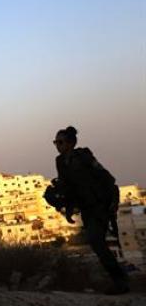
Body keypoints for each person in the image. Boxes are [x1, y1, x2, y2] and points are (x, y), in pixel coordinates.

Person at [53, 126, 129, 295]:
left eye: (61, 142)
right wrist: (65, 207)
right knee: (96, 243)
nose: (57, 145)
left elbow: (108, 178)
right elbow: (67, 188)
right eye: (55, 142)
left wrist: (113, 203)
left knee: (96, 240)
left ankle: (120, 281)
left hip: (100, 206)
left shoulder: (83, 157)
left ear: (71, 143)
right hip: (86, 209)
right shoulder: (60, 162)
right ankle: (119, 279)